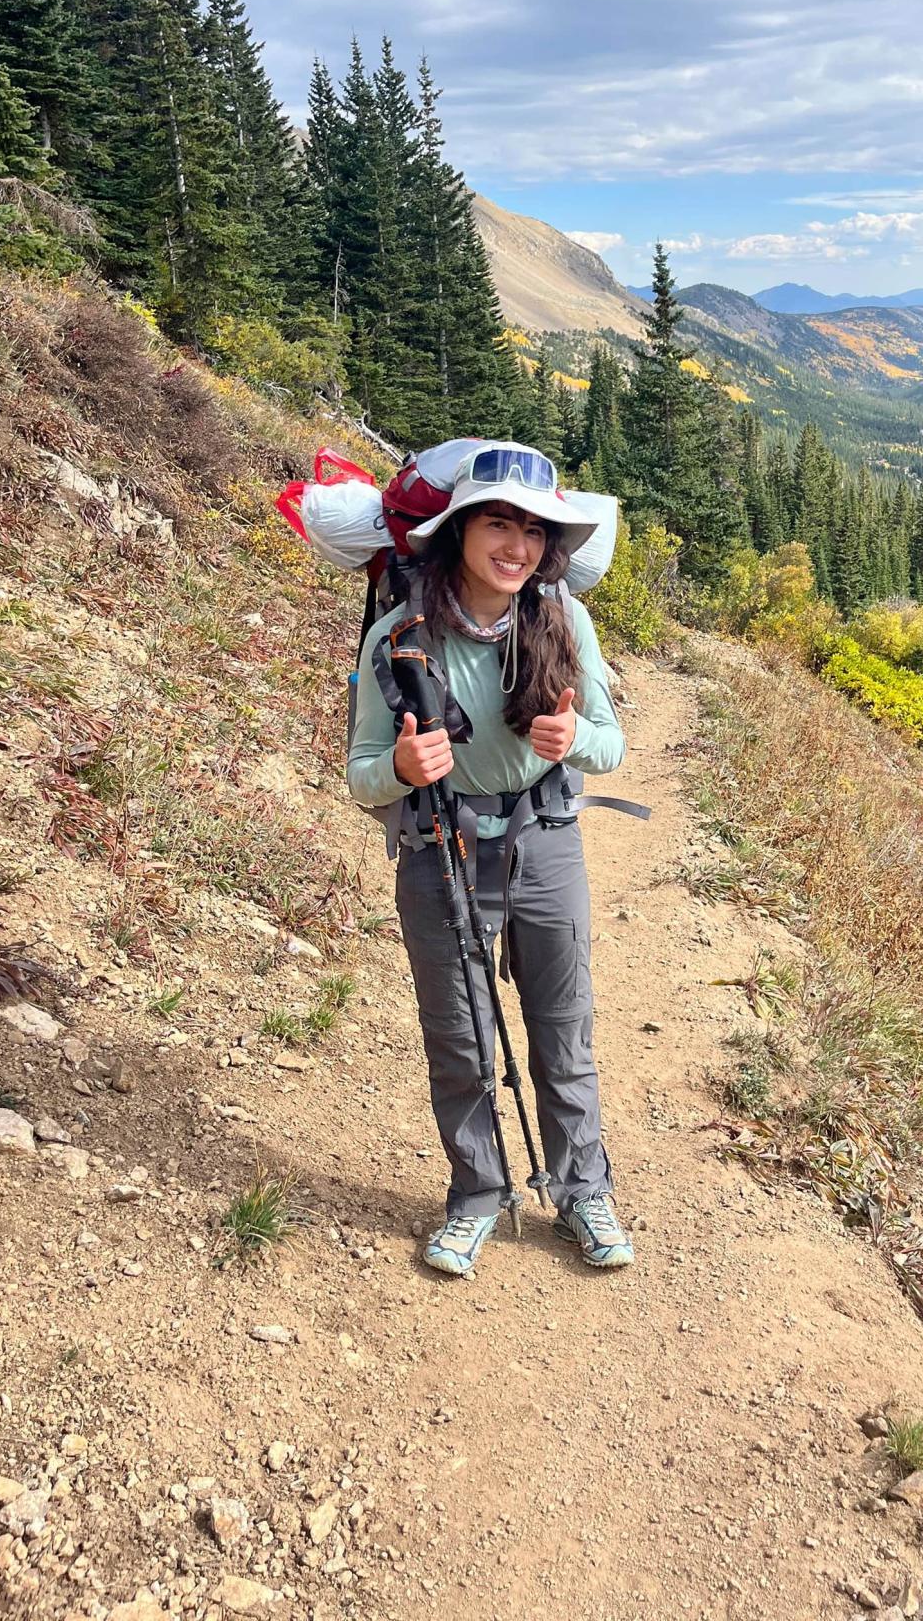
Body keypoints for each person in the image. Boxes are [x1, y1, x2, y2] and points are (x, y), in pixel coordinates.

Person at [346, 441, 635, 1276]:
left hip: (546, 843)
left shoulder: (564, 620)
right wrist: (399, 769)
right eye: (499, 524)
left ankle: (583, 1190)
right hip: (439, 849)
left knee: (563, 1027)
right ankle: (477, 1195)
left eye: (534, 531)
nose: (518, 546)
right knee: (462, 1035)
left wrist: (574, 737)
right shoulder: (399, 635)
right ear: (460, 530)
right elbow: (360, 773)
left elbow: (612, 745)